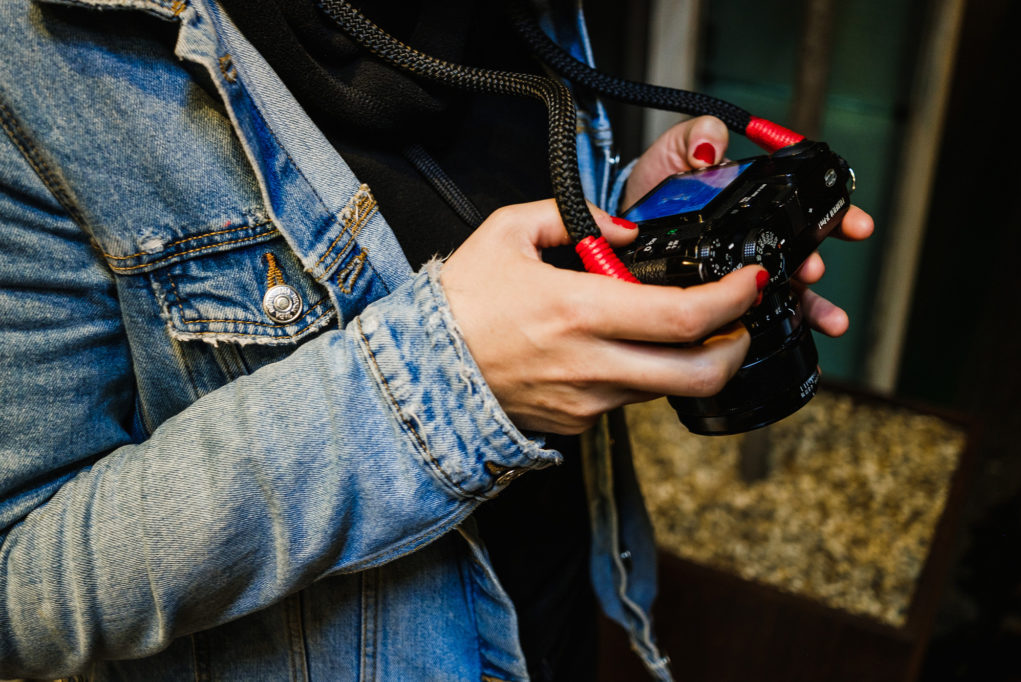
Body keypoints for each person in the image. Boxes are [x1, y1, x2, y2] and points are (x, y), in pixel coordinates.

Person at [0, 0, 873, 679]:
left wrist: (631, 231)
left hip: (563, 623)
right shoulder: (39, 56)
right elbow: (19, 585)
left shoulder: (525, 12)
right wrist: (443, 381)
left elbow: (481, 242)